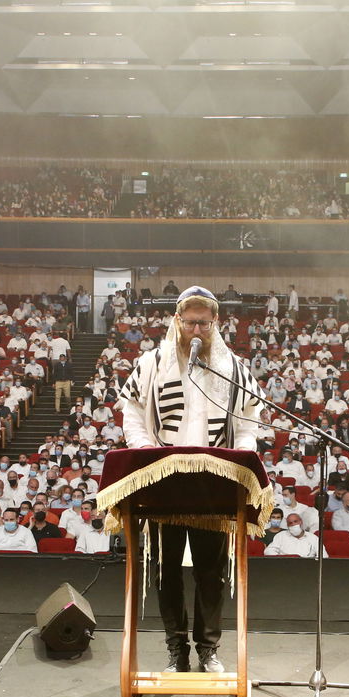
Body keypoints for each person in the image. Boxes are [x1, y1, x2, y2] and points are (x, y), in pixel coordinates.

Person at [118, 286, 264, 674]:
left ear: (216, 322)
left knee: (210, 573)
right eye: (190, 322)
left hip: (213, 482)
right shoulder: (152, 363)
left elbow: (249, 420)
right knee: (166, 572)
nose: (196, 329)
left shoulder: (232, 367)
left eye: (204, 322)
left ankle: (208, 650)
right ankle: (176, 650)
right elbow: (132, 413)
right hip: (164, 480)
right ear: (177, 321)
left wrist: (240, 456)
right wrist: (146, 455)